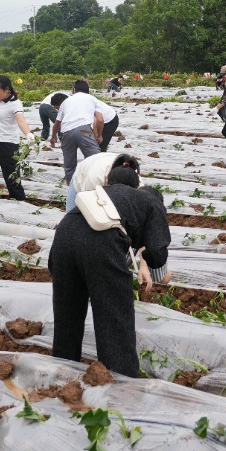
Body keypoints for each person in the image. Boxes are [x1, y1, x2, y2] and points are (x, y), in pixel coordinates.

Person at [49, 164, 171, 377]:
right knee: (114, 316)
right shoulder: (152, 202)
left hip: (63, 237)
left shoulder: (106, 194)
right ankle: (120, 381)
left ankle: (62, 374)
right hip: (99, 243)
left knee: (68, 312)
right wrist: (151, 263)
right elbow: (157, 251)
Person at [49, 80, 104, 183]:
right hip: (84, 130)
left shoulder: (66, 101)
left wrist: (53, 137)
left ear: (74, 89)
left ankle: (71, 191)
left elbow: (57, 123)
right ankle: (94, 187)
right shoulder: (92, 99)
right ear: (88, 90)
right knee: (95, 161)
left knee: (69, 167)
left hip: (66, 133)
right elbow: (100, 120)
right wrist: (99, 135)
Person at [65, 152, 140, 212]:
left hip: (103, 162)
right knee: (71, 219)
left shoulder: (135, 180)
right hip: (83, 174)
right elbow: (88, 207)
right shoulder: (94, 179)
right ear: (108, 182)